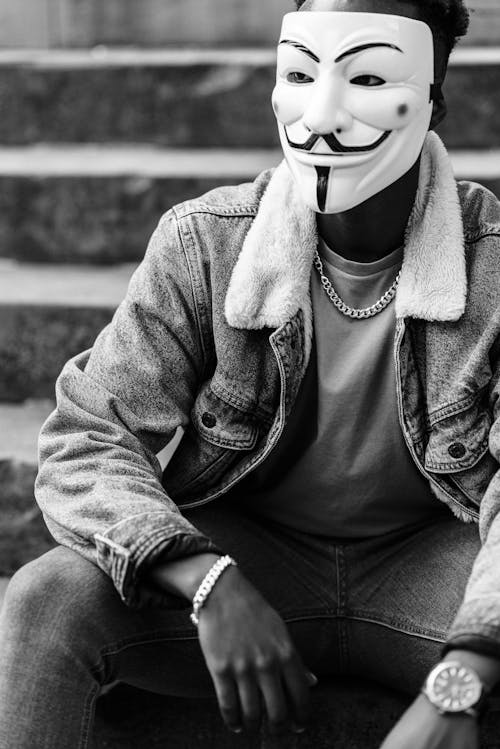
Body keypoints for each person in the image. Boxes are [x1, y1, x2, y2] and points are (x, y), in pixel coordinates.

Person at [1, 0, 500, 746]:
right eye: (300, 73)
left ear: (434, 98)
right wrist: (205, 579)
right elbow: (86, 435)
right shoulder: (205, 244)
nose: (323, 116)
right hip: (254, 553)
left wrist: (464, 677)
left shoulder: (491, 260)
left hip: (429, 561)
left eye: (367, 75)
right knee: (46, 599)